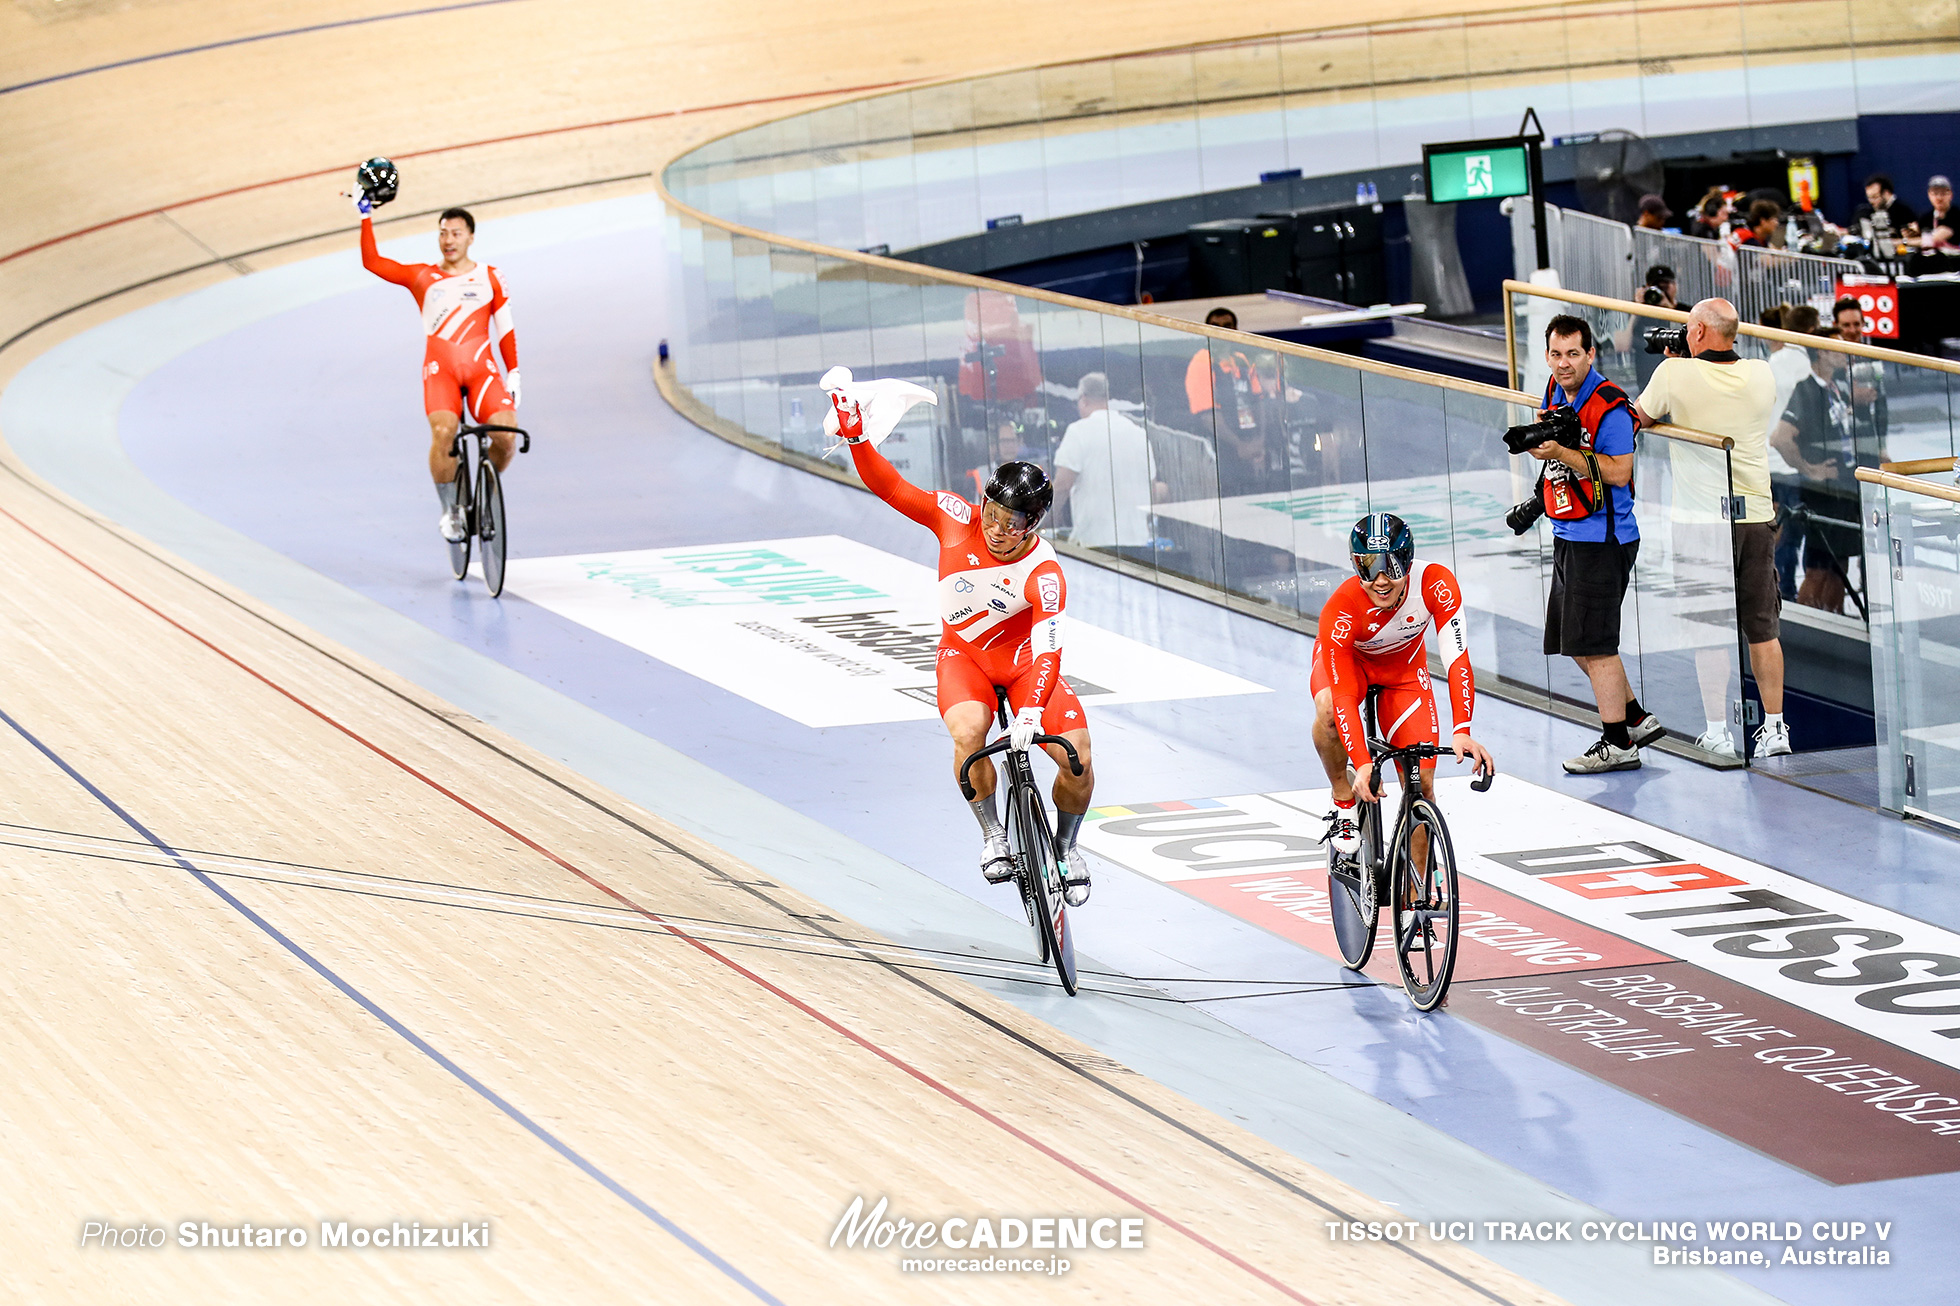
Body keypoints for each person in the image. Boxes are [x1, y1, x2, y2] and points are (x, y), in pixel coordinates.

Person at [832, 392, 1096, 905]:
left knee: (1079, 755)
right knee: (969, 733)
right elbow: (891, 486)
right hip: (965, 659)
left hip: (1024, 668)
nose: (997, 530)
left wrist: (1030, 716)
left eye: (1013, 523)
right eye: (993, 513)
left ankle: (1066, 848)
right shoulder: (956, 517)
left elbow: (1047, 652)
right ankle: (993, 834)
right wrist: (857, 435)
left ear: (1033, 525)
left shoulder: (1045, 573)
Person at [1634, 298, 1790, 758]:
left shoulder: (1673, 375)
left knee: (1709, 629)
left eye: (1687, 328)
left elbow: (1637, 418)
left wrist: (1674, 371)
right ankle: (1776, 728)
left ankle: (1720, 731)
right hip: (1756, 517)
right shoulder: (1762, 373)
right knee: (1763, 627)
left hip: (1702, 520)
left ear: (1699, 333)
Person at [1312, 514, 1494, 854]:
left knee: (1422, 785)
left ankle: (1415, 897)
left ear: (1408, 560)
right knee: (1328, 710)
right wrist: (1363, 763)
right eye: (1368, 567)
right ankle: (1343, 799)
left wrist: (1462, 729)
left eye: (1392, 566)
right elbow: (1343, 698)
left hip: (1403, 672)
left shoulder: (1436, 583)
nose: (1381, 580)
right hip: (1349, 666)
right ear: (1355, 566)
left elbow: (1457, 659)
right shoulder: (1341, 608)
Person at [1530, 315, 1664, 773]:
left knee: (1597, 645)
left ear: (1591, 354)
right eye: (1556, 354)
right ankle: (1635, 720)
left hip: (1603, 540)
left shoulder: (1609, 406)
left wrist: (1563, 454)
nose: (1563, 363)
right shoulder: (1553, 391)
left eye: (1573, 353)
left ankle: (1618, 742)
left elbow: (1619, 472)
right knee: (1579, 642)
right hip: (1570, 532)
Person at [358, 198, 520, 543]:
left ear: (471, 238)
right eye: (443, 233)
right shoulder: (421, 276)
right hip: (441, 373)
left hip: (482, 372)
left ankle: (487, 491)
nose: (448, 240)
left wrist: (514, 373)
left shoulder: (490, 276)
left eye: (456, 233)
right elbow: (372, 262)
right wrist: (366, 215)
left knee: (506, 438)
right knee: (445, 432)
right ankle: (450, 510)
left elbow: (505, 328)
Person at [1770, 332, 1856, 613]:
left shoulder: (1838, 386)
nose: (1844, 351)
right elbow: (1781, 438)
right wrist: (1809, 469)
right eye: (1836, 347)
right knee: (1819, 566)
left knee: (1839, 565)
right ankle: (1810, 626)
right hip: (1823, 491)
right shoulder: (1806, 390)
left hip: (1844, 487)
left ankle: (1836, 619)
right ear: (1821, 353)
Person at [1053, 372, 1164, 551]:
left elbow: (1062, 486)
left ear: (1083, 399)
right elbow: (1152, 491)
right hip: (1137, 544)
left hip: (1095, 544)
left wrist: (1043, 523)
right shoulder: (1138, 434)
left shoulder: (1078, 431)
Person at [1761, 303, 1820, 598]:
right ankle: (1789, 595)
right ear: (1812, 330)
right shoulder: (1811, 365)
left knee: (1778, 535)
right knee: (1800, 537)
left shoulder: (1771, 363)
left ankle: (1779, 593)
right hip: (1797, 464)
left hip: (1770, 463)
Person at [1184, 307, 1263, 433]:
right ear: (1206, 331)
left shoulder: (1241, 359)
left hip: (1249, 435)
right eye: (1215, 327)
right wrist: (1239, 445)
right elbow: (1207, 416)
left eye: (1227, 327)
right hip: (1221, 441)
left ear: (1235, 330)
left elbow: (1258, 402)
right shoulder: (1202, 361)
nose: (1221, 331)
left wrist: (1260, 440)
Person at [1852, 174, 1917, 238]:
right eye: (1869, 197)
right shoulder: (1866, 211)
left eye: (1875, 197)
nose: (1871, 201)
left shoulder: (1904, 212)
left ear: (1886, 193)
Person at [1919, 175, 1955, 247]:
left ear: (1951, 195)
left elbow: (1932, 240)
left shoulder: (1956, 216)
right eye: (1935, 194)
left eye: (1943, 194)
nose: (1939, 198)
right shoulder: (1925, 218)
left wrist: (1904, 242)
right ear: (1929, 195)